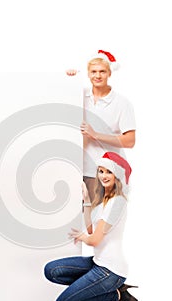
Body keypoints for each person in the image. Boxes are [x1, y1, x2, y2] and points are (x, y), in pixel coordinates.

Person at [44, 152, 138, 301]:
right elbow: (90, 230)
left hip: (110, 270)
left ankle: (116, 294)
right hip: (97, 262)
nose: (103, 176)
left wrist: (82, 237)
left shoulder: (118, 202)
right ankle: (96, 293)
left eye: (109, 172)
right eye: (101, 171)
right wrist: (87, 199)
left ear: (118, 176)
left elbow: (94, 239)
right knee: (52, 270)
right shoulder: (105, 201)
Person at [67, 50, 136, 205]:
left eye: (102, 71)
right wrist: (68, 80)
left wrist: (96, 134)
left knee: (102, 223)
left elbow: (130, 141)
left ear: (109, 73)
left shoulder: (121, 103)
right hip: (79, 170)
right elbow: (57, 96)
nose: (97, 76)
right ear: (88, 74)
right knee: (80, 223)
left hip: (106, 174)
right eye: (93, 72)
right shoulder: (79, 95)